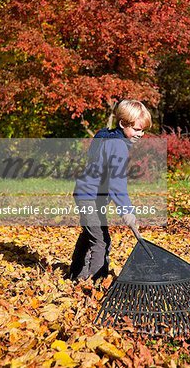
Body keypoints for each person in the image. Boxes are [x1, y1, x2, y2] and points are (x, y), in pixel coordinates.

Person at [69, 100, 152, 282]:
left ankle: (76, 274)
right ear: (123, 124)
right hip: (89, 196)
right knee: (101, 241)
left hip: (87, 194)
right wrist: (126, 210)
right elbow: (117, 182)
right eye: (137, 129)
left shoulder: (105, 135)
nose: (141, 134)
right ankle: (97, 281)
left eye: (143, 130)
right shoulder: (118, 146)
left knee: (90, 234)